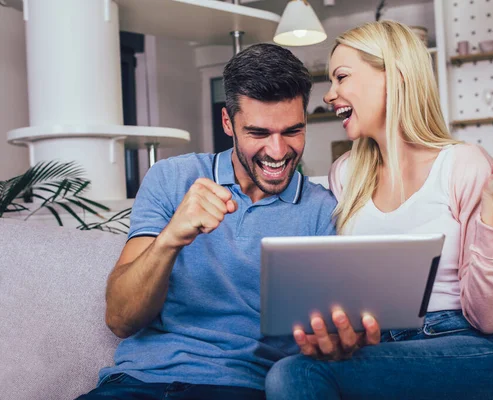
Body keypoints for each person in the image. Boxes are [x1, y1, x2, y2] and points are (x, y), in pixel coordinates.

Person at [265, 21, 493, 400]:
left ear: (396, 76)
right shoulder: (346, 173)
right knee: (292, 369)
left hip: (468, 347)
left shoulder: (463, 163)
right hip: (380, 349)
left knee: (295, 376)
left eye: (341, 77)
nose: (329, 95)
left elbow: (488, 317)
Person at [77, 43, 337, 400]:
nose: (278, 152)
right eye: (259, 133)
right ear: (228, 123)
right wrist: (171, 238)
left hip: (239, 388)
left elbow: (326, 337)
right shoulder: (170, 178)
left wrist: (337, 341)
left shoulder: (323, 211)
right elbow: (121, 319)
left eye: (292, 131)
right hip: (137, 384)